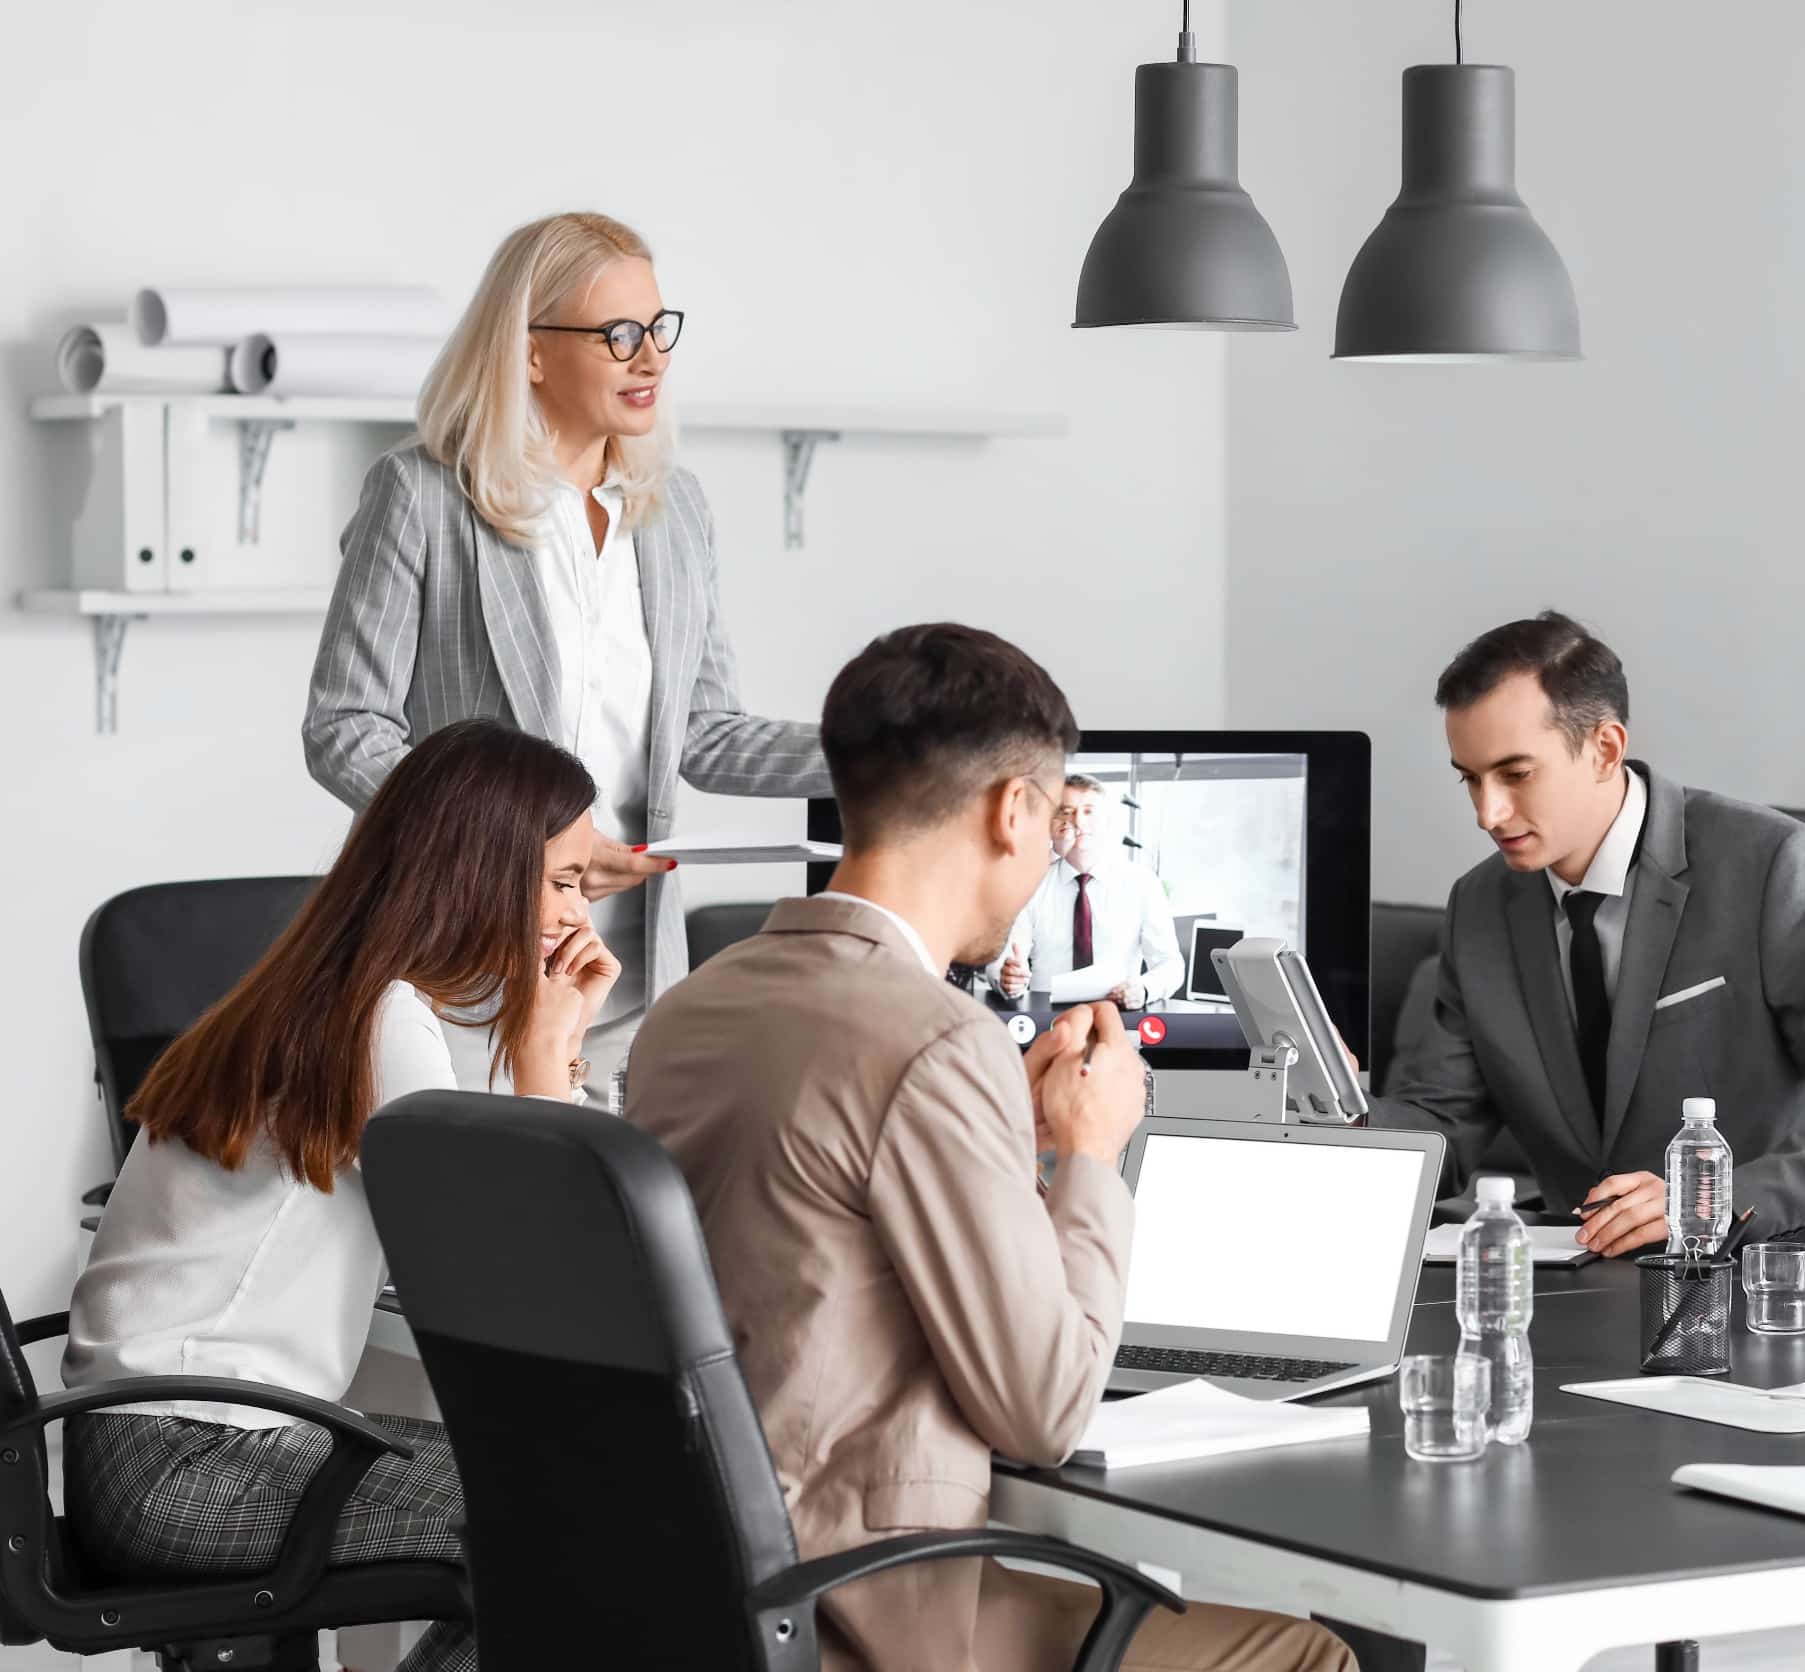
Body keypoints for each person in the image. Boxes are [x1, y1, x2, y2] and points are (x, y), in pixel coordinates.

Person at [623, 624, 1351, 1672]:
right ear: (1015, 810)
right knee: (1302, 1652)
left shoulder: (691, 1008)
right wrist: (1091, 1151)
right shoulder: (931, 1038)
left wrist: (999, 1120)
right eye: (1056, 816)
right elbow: (1046, 1409)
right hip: (859, 1610)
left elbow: (809, 1238)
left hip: (696, 1594)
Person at [62, 721, 618, 1672]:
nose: (575, 915)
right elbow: (500, 1277)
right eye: (564, 880)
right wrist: (544, 1052)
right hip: (194, 1461)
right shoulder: (380, 1022)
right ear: (480, 866)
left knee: (559, 1506)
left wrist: (544, 1055)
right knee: (578, 1521)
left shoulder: (335, 992)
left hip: (152, 1448)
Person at [304, 210, 828, 1104]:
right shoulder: (424, 494)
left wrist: (891, 756)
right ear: (531, 352)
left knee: (591, 1220)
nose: (651, 359)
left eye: (659, 330)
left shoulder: (676, 508)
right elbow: (345, 730)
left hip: (623, 962)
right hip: (455, 957)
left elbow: (703, 732)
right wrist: (533, 843)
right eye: (619, 334)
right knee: (466, 1219)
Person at [1374, 611, 1805, 1254]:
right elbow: (1445, 1122)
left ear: (1605, 749)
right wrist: (1331, 1118)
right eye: (1470, 778)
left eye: (1515, 774)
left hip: (1785, 1273)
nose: (1489, 812)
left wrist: (1718, 1198)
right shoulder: (1479, 905)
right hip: (1582, 1283)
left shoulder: (1770, 864)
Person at [993, 772, 1184, 1009]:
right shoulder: (1032, 884)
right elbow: (1005, 957)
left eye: (1088, 811)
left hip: (1119, 1024)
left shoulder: (1143, 884)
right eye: (1066, 811)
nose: (1078, 822)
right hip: (1046, 1026)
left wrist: (1144, 989)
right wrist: (1008, 976)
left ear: (1107, 821)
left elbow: (1170, 965)